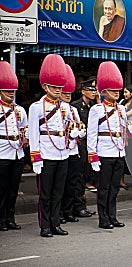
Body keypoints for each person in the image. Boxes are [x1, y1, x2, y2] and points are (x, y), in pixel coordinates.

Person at [29, 54, 72, 237]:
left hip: (62, 152)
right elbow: (32, 133)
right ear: (45, 86)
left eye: (59, 87)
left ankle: (55, 223)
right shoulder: (36, 107)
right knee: (45, 194)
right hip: (46, 153)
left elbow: (69, 127)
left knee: (58, 192)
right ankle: (44, 225)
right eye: (53, 87)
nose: (57, 90)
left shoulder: (66, 107)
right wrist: (35, 157)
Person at [87, 61, 132, 229]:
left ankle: (112, 216)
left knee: (114, 187)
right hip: (104, 152)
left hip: (119, 151)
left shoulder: (121, 109)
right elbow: (92, 134)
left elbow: (125, 131)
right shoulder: (97, 110)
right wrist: (92, 156)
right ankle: (103, 218)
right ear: (104, 91)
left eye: (117, 90)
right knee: (104, 188)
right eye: (113, 90)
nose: (116, 93)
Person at [0, 61, 28, 231]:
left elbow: (25, 127)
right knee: (1, 189)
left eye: (12, 91)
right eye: (7, 91)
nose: (11, 94)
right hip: (2, 152)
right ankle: (1, 219)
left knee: (13, 189)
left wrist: (25, 138)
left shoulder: (19, 110)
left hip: (17, 152)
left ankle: (10, 217)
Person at [60, 64, 87, 224]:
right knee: (61, 184)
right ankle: (61, 212)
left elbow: (79, 124)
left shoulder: (73, 110)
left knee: (73, 182)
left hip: (74, 149)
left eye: (70, 92)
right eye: (65, 92)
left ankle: (69, 211)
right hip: (60, 150)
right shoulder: (56, 109)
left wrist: (80, 132)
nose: (68, 95)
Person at [71, 77, 100, 195]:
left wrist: (98, 100)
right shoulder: (76, 105)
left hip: (92, 140)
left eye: (95, 90)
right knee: (82, 167)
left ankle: (90, 181)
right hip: (81, 140)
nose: (93, 92)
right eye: (90, 90)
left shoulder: (94, 105)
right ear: (83, 91)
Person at [119, 84, 132, 190]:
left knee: (130, 157)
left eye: (126, 92)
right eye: (124, 92)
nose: (124, 94)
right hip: (121, 133)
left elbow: (125, 115)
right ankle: (120, 180)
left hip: (130, 134)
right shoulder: (121, 102)